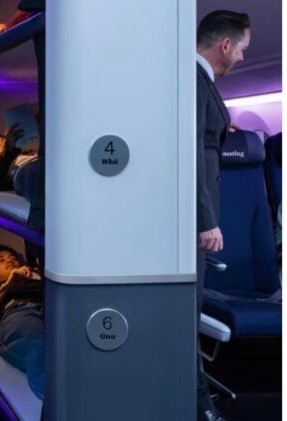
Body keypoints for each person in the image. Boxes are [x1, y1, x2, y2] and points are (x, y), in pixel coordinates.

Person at [196, 10, 250, 421]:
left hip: (199, 220)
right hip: (195, 223)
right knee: (184, 317)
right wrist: (206, 220)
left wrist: (220, 130)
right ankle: (199, 407)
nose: (243, 57)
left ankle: (199, 404)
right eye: (243, 49)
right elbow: (192, 155)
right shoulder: (194, 81)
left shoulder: (201, 83)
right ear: (225, 45)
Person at [0, 244, 44, 399]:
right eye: (1, 260)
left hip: (55, 306)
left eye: (13, 258)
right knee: (39, 349)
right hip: (19, 311)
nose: (9, 260)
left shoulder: (38, 277)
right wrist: (7, 286)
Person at [0, 124, 39, 201]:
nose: (4, 144)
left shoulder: (29, 152)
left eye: (4, 141)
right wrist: (9, 149)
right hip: (28, 171)